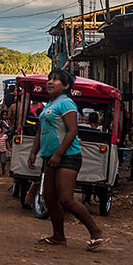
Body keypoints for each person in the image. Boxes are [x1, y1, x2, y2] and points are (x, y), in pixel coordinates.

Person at [26, 70, 109, 251]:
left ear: (66, 86)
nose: (50, 82)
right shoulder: (51, 104)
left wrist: (58, 154)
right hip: (50, 157)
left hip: (68, 156)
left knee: (65, 199)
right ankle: (58, 237)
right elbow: (41, 131)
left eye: (55, 80)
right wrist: (34, 152)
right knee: (49, 198)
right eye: (49, 79)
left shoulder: (67, 103)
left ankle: (96, 233)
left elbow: (72, 131)